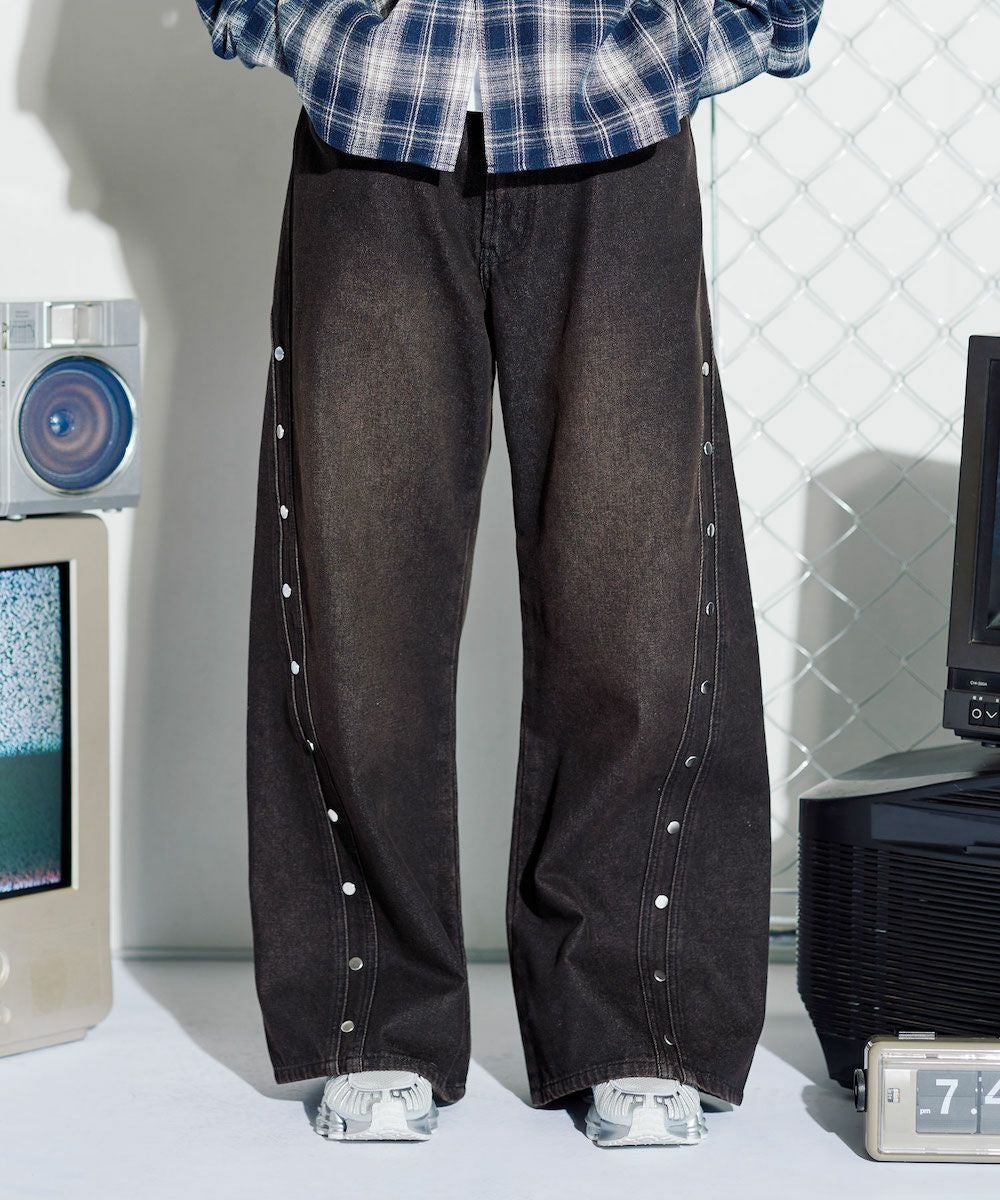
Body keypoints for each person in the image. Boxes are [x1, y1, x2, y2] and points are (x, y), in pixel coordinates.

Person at [195, 0, 824, 1147]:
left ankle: (637, 1020)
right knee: (356, 589)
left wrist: (701, 38)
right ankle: (371, 1018)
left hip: (613, 101)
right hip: (375, 108)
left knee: (636, 586)